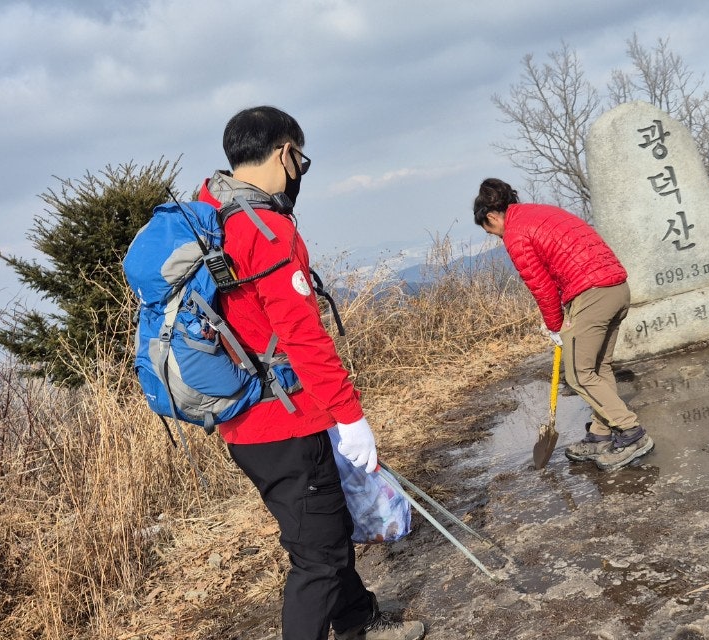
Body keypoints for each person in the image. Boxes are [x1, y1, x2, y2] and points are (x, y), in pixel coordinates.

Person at [198, 106, 424, 640]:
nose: (300, 169)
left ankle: (356, 620)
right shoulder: (266, 229)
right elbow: (302, 337)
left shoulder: (209, 210)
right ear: (285, 152)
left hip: (243, 418)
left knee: (320, 530)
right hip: (286, 420)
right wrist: (350, 415)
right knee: (318, 558)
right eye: (300, 157)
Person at [473, 178, 654, 471]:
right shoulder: (541, 212)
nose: (497, 237)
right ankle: (600, 434)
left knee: (579, 375)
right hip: (616, 288)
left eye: (492, 232)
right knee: (598, 368)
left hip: (591, 294)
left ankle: (632, 433)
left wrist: (555, 325)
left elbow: (541, 286)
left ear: (492, 216)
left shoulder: (516, 232)